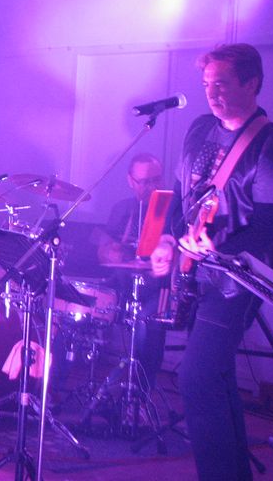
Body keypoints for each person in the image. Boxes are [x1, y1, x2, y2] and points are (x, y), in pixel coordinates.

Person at [150, 43, 273, 480]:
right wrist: (170, 238)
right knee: (216, 377)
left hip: (238, 281)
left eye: (222, 84)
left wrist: (220, 251)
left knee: (195, 377)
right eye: (206, 84)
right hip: (196, 273)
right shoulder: (199, 129)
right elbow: (181, 195)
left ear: (252, 83)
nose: (212, 93)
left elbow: (269, 227)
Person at [97, 153, 168, 391]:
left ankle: (139, 392)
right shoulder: (121, 209)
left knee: (146, 323)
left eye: (156, 180)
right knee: (76, 303)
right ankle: (54, 388)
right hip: (122, 284)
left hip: (158, 289)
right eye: (144, 182)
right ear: (130, 181)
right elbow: (102, 252)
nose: (151, 187)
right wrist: (110, 252)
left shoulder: (170, 209)